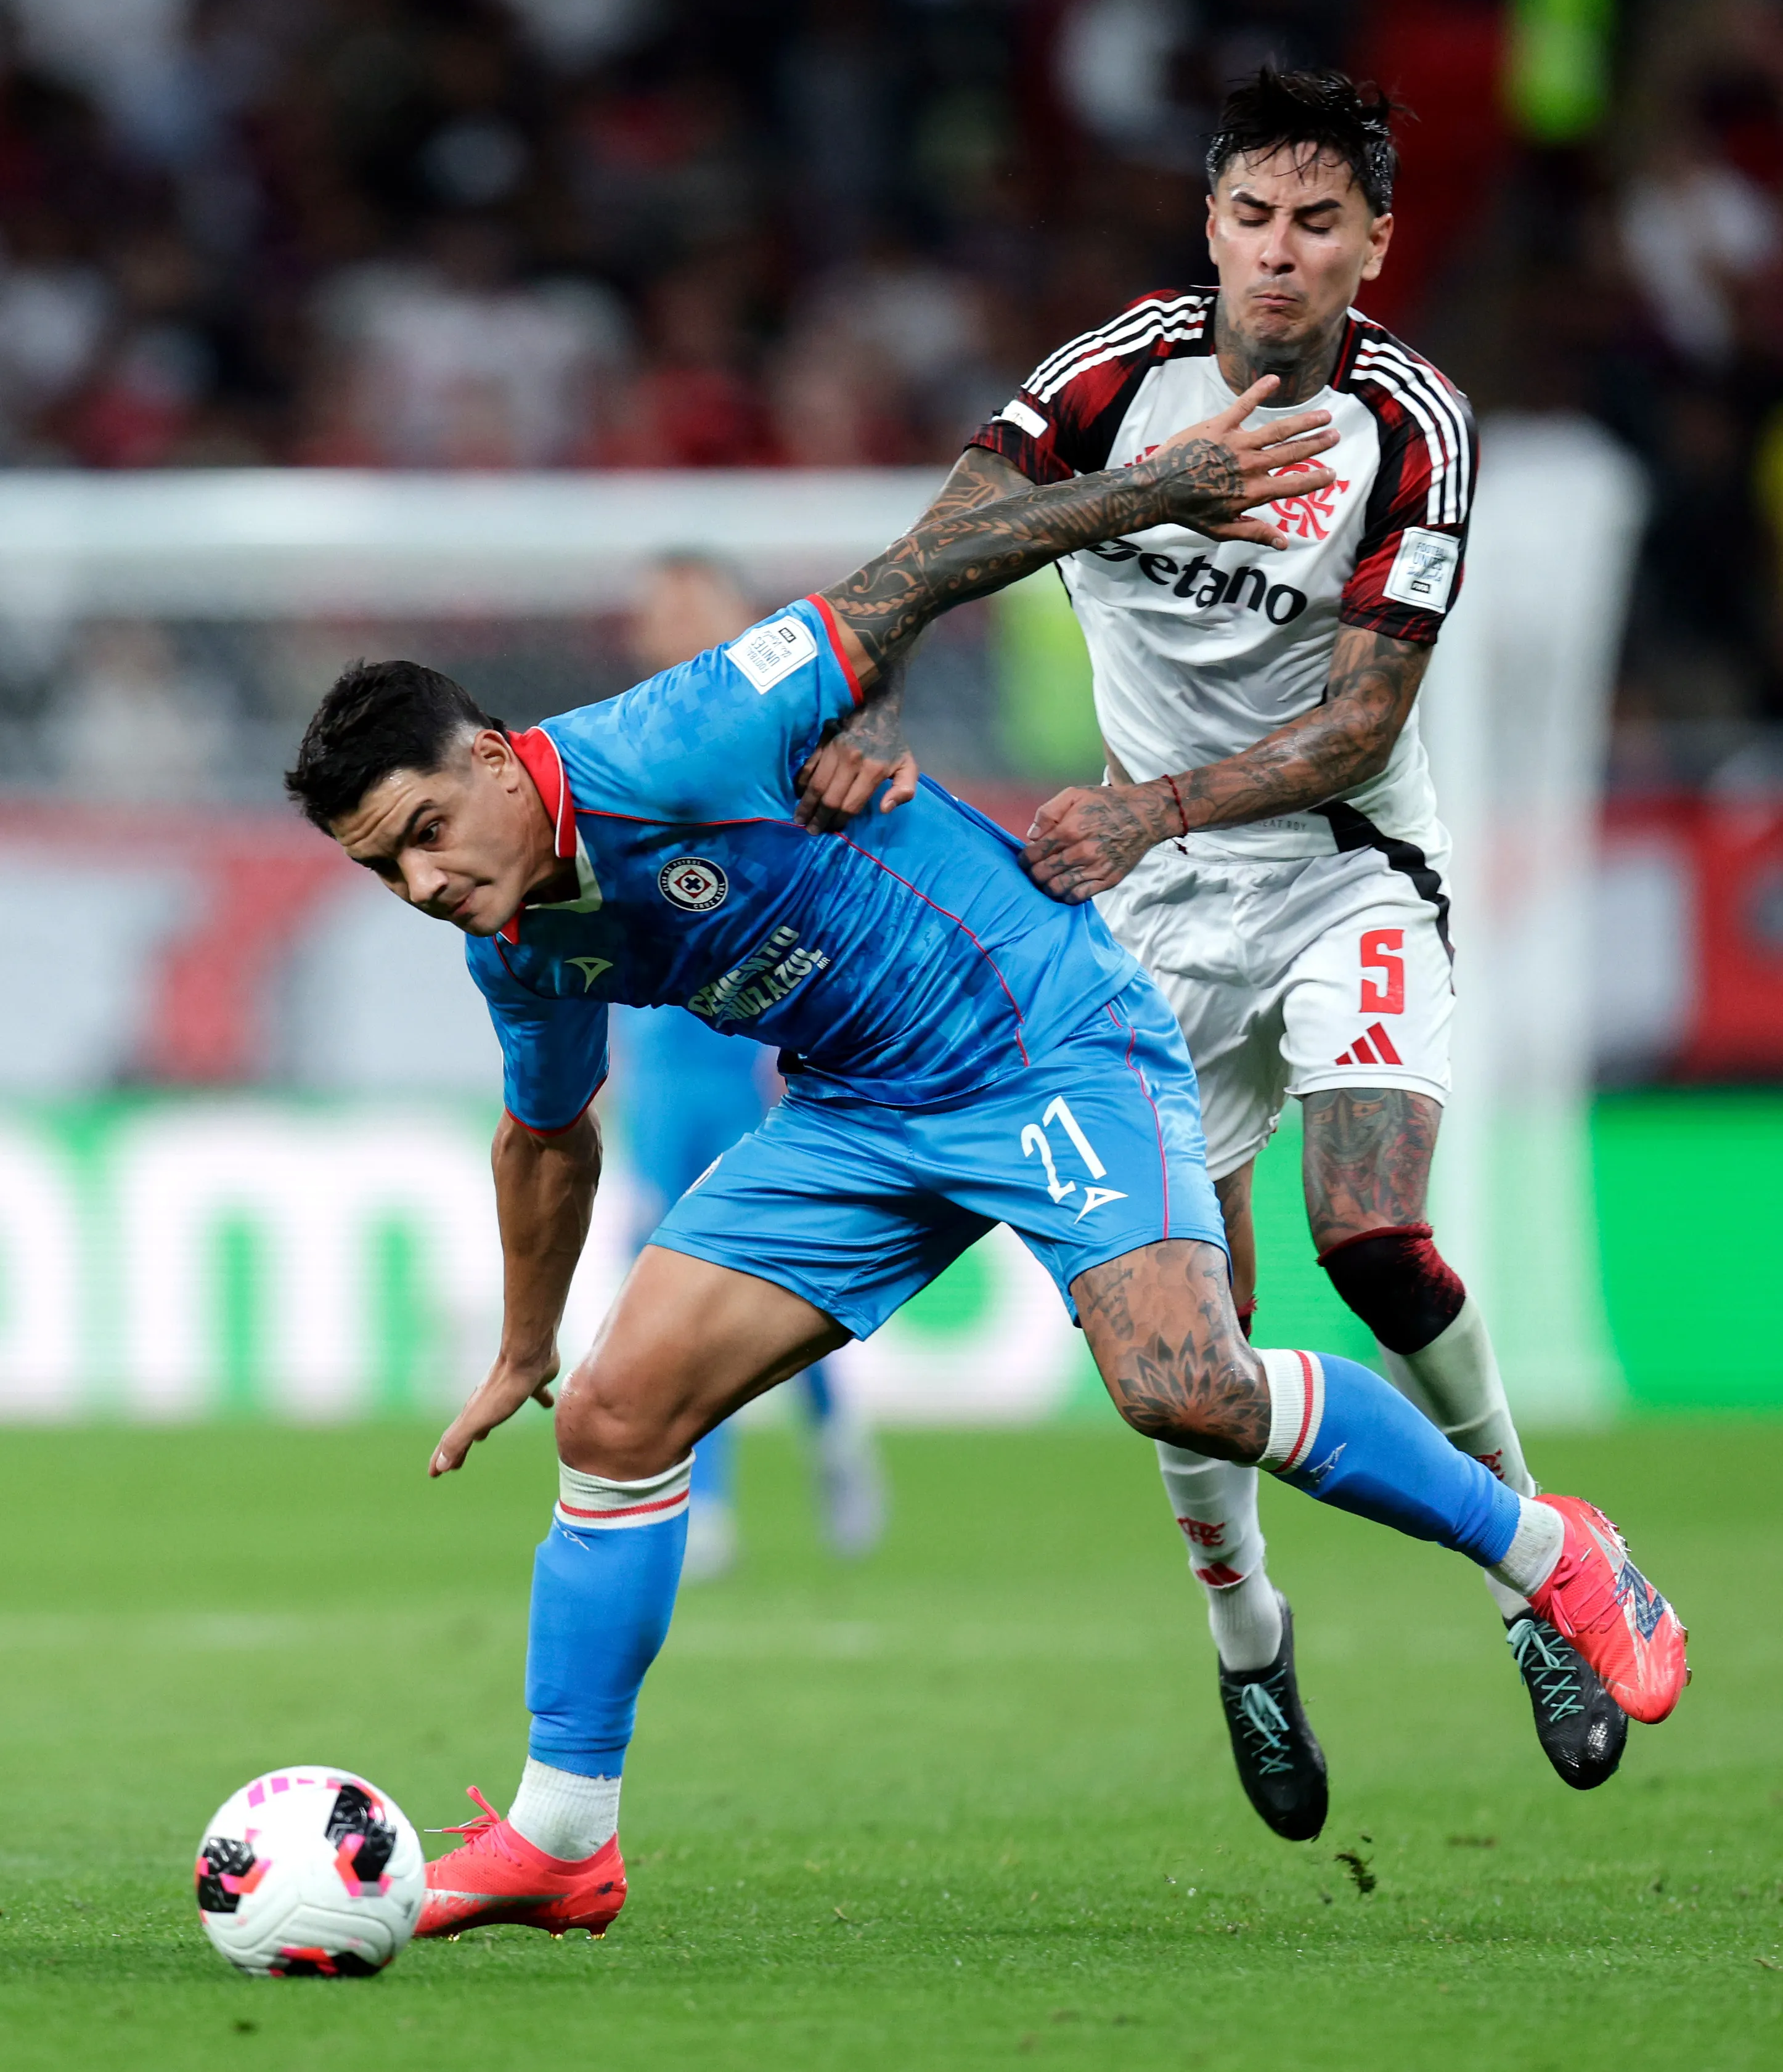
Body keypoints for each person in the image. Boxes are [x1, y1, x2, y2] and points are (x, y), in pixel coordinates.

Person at [284, 392, 1685, 1943]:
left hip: (1038, 1031)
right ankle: (562, 1837)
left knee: (1183, 1387)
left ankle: (1556, 1548)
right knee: (615, 1414)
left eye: (424, 832)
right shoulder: (519, 944)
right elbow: (546, 1135)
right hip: (858, 1113)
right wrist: (528, 1345)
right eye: (382, 869)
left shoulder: (678, 735)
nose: (422, 882)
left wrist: (1157, 482)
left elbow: (924, 574)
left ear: (491, 759)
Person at [844, 65, 1627, 1825]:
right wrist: (877, 687)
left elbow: (1360, 723)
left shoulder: (1413, 426)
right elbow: (933, 552)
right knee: (1187, 1343)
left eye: (1317, 225)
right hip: (1154, 910)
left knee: (1370, 1226)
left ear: (1373, 246)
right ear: (1209, 228)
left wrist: (1152, 806)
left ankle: (1538, 1568)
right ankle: (1248, 1632)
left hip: (1339, 862)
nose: (1279, 256)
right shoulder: (1113, 378)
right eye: (1251, 220)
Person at [617, 554, 887, 1577]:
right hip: (662, 1077)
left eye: (690, 602)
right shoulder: (624, 748)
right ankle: (715, 1495)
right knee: (664, 1290)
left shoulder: (775, 746)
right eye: (659, 606)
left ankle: (812, 1443)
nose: (670, 621)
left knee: (741, 1286)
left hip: (745, 1072)